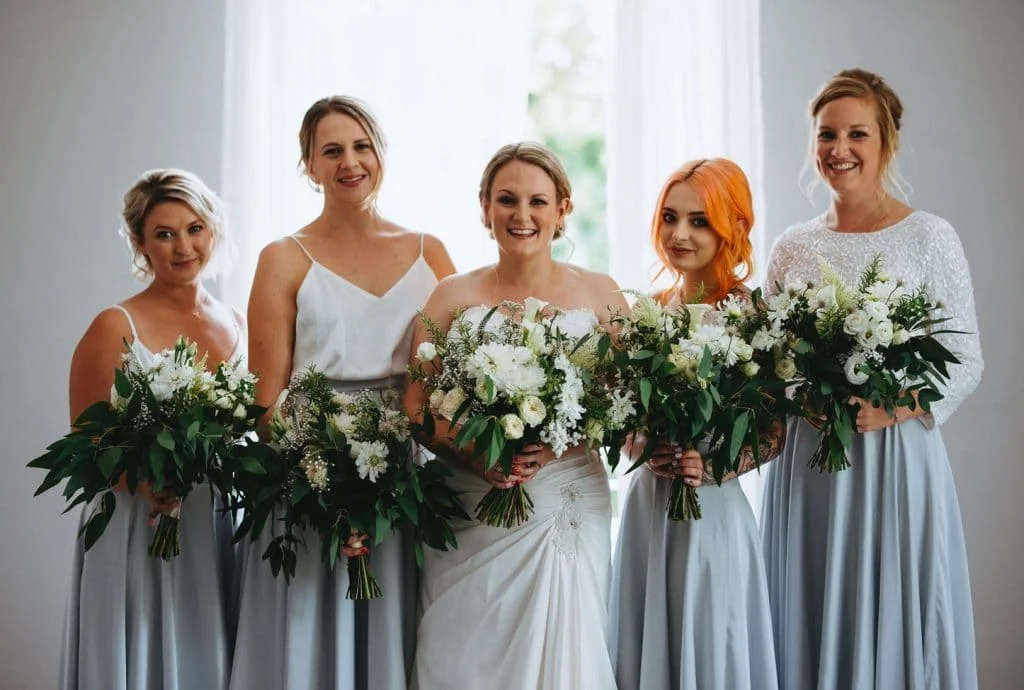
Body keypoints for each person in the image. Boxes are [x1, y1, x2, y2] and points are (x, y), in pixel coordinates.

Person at [760, 68, 983, 689]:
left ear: (885, 142)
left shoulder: (929, 237)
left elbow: (966, 358)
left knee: (892, 604)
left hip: (893, 457)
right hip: (810, 464)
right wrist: (800, 395)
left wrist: (895, 407)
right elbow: (769, 362)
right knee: (812, 599)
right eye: (827, 134)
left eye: (857, 133)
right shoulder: (792, 248)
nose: (839, 149)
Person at [228, 95, 455, 690]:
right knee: (311, 635)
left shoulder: (431, 253)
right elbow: (266, 401)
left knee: (398, 633)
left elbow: (452, 377)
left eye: (361, 146)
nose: (349, 162)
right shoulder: (282, 258)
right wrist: (324, 482)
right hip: (312, 475)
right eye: (331, 151)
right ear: (309, 167)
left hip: (405, 475)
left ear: (380, 154)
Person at [406, 142, 626, 690]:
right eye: (506, 200)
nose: (521, 216)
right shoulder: (451, 296)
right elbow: (416, 409)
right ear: (484, 208)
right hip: (469, 503)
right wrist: (473, 450)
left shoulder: (601, 294)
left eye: (536, 201)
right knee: (458, 657)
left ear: (562, 208)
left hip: (566, 494)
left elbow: (627, 402)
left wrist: (560, 436)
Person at [60, 168, 242, 690]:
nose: (183, 246)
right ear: (140, 242)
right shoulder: (116, 326)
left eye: (194, 228)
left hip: (211, 523)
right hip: (135, 524)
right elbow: (83, 443)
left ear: (213, 231)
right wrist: (147, 486)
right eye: (164, 233)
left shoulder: (238, 321)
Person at [610, 157, 781, 690]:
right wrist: (641, 442)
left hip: (714, 510)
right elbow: (621, 413)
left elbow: (774, 430)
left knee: (713, 641)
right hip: (648, 505)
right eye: (669, 217)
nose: (679, 234)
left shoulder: (755, 317)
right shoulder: (644, 313)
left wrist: (714, 465)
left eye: (700, 220)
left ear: (732, 227)